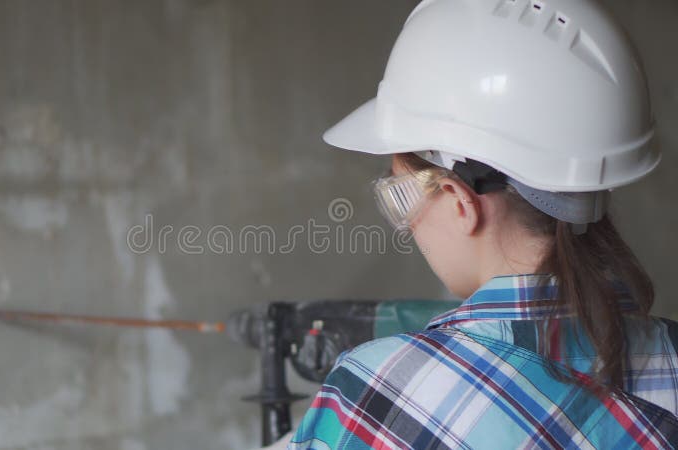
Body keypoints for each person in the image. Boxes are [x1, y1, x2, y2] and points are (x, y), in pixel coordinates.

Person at [288, 0, 678, 448]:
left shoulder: (378, 395)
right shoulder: (670, 354)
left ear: (458, 200)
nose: (409, 226)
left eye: (402, 196)